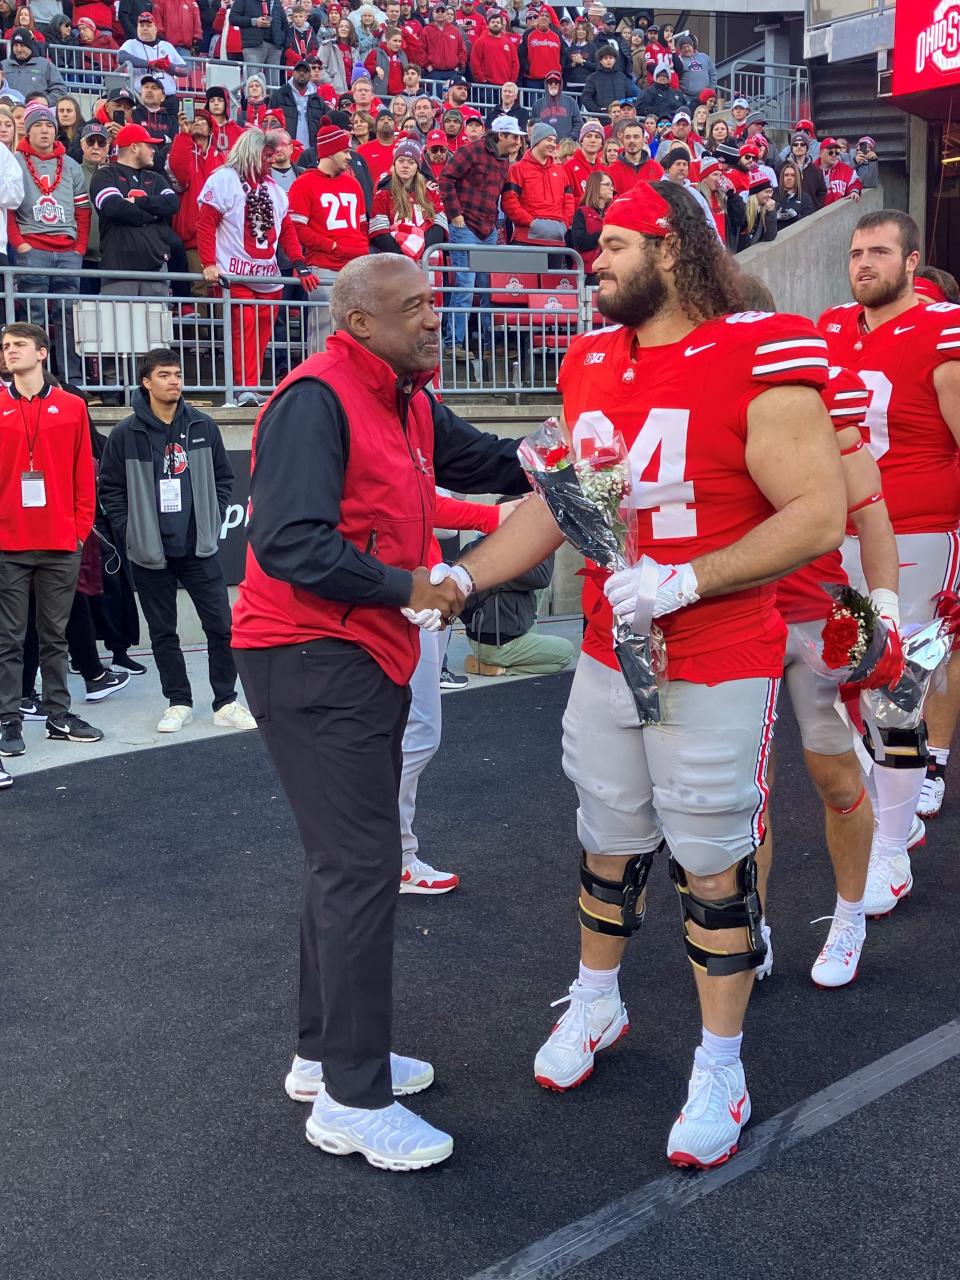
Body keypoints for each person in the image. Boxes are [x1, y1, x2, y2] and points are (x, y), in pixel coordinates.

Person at [430, 180, 845, 1169]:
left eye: (614, 242)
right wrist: (459, 575)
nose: (594, 259)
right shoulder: (589, 360)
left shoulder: (762, 347)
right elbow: (561, 504)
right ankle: (599, 998)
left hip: (717, 650)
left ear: (675, 247)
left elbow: (817, 511)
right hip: (615, 652)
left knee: (711, 866)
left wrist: (686, 578)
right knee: (606, 840)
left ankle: (721, 1060)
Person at [230, 253, 528, 1171]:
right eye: (414, 309)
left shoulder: (406, 396)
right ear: (359, 321)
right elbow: (288, 543)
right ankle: (353, 1100)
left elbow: (485, 455)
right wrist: (410, 585)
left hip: (347, 655)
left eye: (435, 305)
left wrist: (557, 450)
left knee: (342, 867)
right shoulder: (317, 398)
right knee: (360, 871)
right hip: (313, 655)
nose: (435, 320)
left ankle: (324, 1058)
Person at [820, 210, 960, 908]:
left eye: (879, 251)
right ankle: (893, 812)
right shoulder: (830, 327)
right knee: (847, 683)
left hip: (921, 528)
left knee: (896, 685)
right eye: (855, 253)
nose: (864, 263)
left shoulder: (943, 329)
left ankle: (891, 849)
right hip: (843, 532)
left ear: (912, 263)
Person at [99, 348, 256, 734]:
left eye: (178, 375)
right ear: (146, 382)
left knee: (222, 626)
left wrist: (213, 516)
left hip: (198, 547)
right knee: (163, 632)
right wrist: (131, 530)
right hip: (150, 550)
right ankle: (178, 701)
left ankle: (226, 701)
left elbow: (224, 479)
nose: (174, 381)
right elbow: (110, 489)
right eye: (165, 375)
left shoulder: (203, 424)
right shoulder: (125, 433)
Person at [0, 322, 103, 762]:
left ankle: (59, 714)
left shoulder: (73, 406)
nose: (10, 352)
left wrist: (79, 532)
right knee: (8, 637)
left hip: (61, 541)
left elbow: (85, 473)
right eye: (5, 346)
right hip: (9, 543)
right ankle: (9, 719)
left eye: (19, 345)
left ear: (42, 352)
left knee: (54, 636)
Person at [197, 129, 314, 398]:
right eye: (267, 155)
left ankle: (250, 385)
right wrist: (207, 263)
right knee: (244, 325)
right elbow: (205, 223)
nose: (271, 161)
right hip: (233, 272)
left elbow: (287, 230)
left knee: (261, 328)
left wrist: (299, 262)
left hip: (267, 275)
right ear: (252, 152)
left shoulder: (274, 189)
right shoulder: (223, 179)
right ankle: (242, 388)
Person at [9, 99, 89, 383]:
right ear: (27, 131)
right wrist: (20, 243)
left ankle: (72, 382)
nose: (44, 131)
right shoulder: (15, 161)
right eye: (38, 125)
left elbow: (83, 209)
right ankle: (36, 380)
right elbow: (7, 208)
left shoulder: (70, 165)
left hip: (68, 251)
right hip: (33, 249)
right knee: (35, 318)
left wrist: (79, 247)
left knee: (68, 319)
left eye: (49, 125)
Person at [438, 112, 516, 358]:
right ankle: (453, 344)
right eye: (514, 137)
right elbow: (446, 179)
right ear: (501, 135)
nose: (517, 142)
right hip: (465, 227)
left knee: (486, 288)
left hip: (487, 229)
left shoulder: (504, 161)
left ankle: (488, 344)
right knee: (465, 286)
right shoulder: (471, 151)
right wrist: (455, 213)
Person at [287, 122, 368, 355]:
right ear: (330, 151)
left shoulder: (353, 184)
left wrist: (359, 247)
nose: (349, 157)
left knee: (355, 332)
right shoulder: (304, 184)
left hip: (354, 267)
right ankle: (319, 382)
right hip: (324, 267)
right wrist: (332, 245)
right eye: (344, 151)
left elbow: (362, 225)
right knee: (324, 332)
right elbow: (298, 229)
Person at [461, 540, 573, 678]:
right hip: (499, 646)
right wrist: (550, 537)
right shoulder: (509, 556)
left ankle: (503, 658)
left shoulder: (473, 547)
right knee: (566, 653)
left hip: (477, 638)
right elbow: (544, 577)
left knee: (533, 589)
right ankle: (499, 669)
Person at [89, 122, 178, 296]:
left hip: (156, 269)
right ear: (134, 147)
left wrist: (137, 201)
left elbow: (172, 204)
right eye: (149, 145)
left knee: (155, 323)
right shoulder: (105, 174)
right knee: (118, 323)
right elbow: (113, 207)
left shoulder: (156, 178)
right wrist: (152, 214)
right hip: (118, 271)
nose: (154, 151)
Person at [369, 137, 446, 261]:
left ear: (418, 166)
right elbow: (379, 234)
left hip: (426, 261)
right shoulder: (383, 194)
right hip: (395, 263)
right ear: (394, 164)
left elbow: (439, 229)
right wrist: (406, 257)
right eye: (401, 161)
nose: (405, 166)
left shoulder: (431, 194)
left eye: (411, 162)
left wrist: (419, 252)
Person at [501, 121, 574, 245]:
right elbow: (509, 202)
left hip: (556, 240)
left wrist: (564, 224)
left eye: (554, 141)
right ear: (537, 141)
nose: (553, 144)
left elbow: (569, 202)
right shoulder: (517, 169)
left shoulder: (560, 172)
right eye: (548, 140)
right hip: (526, 239)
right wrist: (532, 223)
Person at [117, 11, 187, 95]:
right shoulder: (131, 43)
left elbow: (184, 70)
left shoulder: (167, 46)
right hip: (141, 98)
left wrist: (168, 66)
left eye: (148, 26)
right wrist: (149, 64)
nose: (145, 28)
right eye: (141, 26)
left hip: (168, 97)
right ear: (137, 28)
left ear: (155, 29)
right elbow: (121, 57)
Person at [269, 59, 325, 149]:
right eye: (299, 71)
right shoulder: (279, 95)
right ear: (293, 73)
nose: (302, 73)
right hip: (285, 149)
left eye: (305, 71)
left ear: (310, 75)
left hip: (311, 151)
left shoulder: (318, 100)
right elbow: (270, 123)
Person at [570, 169, 613, 278]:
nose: (611, 188)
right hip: (587, 272)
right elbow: (580, 243)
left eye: (611, 185)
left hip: (609, 270)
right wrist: (604, 233)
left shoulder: (613, 212)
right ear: (595, 186)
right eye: (607, 184)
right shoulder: (582, 212)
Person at [1, 28, 65, 101]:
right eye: (15, 45)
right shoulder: (3, 66)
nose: (19, 49)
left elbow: (60, 90)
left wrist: (46, 100)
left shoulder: (46, 65)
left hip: (35, 111)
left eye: (22, 45)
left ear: (31, 46)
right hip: (8, 111)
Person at [606, 120, 663, 196]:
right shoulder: (611, 171)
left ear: (643, 140)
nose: (631, 141)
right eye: (628, 137)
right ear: (623, 140)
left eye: (636, 137)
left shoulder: (656, 169)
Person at [530, 70, 582, 142]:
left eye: (556, 82)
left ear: (560, 84)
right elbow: (533, 126)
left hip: (565, 148)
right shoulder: (537, 105)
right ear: (546, 84)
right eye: (550, 82)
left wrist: (570, 139)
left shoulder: (570, 102)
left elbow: (578, 123)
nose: (553, 84)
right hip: (544, 146)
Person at [470, 9, 518, 85]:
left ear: (502, 25)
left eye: (498, 22)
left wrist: (512, 81)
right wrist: (482, 80)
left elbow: (515, 63)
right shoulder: (480, 41)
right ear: (488, 25)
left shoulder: (509, 43)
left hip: (505, 86)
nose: (495, 24)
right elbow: (475, 62)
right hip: (487, 85)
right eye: (493, 22)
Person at [519, 7, 563, 90]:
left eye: (547, 16)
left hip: (553, 79)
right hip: (533, 79)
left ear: (550, 21)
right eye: (542, 15)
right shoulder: (528, 34)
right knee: (534, 103)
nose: (544, 17)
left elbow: (564, 54)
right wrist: (529, 69)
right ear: (538, 19)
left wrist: (560, 67)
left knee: (551, 103)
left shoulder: (557, 35)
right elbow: (521, 53)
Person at [581, 45, 629, 115]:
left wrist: (625, 109)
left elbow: (629, 96)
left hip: (621, 117)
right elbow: (586, 97)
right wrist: (597, 110)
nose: (608, 60)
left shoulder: (622, 77)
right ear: (601, 61)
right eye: (605, 58)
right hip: (602, 117)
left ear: (615, 60)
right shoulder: (593, 77)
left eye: (611, 58)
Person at [420, 4, 466, 76]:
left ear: (446, 14)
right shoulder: (426, 30)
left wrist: (459, 66)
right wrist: (427, 66)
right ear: (433, 13)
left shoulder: (455, 30)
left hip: (452, 72)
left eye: (442, 11)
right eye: (437, 11)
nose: (440, 13)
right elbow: (420, 50)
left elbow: (462, 50)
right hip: (433, 72)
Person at [736, 171, 777, 252]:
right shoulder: (742, 208)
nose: (770, 195)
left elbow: (770, 236)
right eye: (766, 191)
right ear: (756, 193)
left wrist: (771, 213)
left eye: (771, 191)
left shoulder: (768, 207)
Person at [564, 119, 604, 200]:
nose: (593, 140)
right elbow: (566, 201)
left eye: (597, 137)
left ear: (602, 143)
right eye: (588, 136)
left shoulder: (605, 170)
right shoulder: (568, 167)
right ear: (581, 141)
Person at [818, 137, 861, 205]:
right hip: (818, 213)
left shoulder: (845, 169)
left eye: (836, 153)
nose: (834, 155)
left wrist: (854, 191)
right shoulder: (812, 170)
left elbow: (855, 182)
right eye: (831, 152)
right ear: (820, 153)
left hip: (839, 211)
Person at [775, 159, 814, 228]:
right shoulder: (773, 194)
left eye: (793, 175)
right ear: (782, 177)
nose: (789, 178)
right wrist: (773, 215)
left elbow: (809, 220)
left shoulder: (805, 198)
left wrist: (795, 216)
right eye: (786, 175)